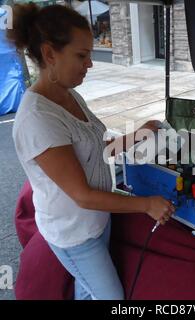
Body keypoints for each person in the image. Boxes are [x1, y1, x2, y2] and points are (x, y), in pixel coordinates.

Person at [7, 3, 175, 300]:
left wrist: (138, 134)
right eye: (81, 56)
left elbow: (97, 147)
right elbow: (82, 195)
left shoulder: (69, 94)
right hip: (74, 234)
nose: (90, 64)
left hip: (96, 221)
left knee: (87, 292)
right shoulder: (38, 118)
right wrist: (147, 204)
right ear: (49, 54)